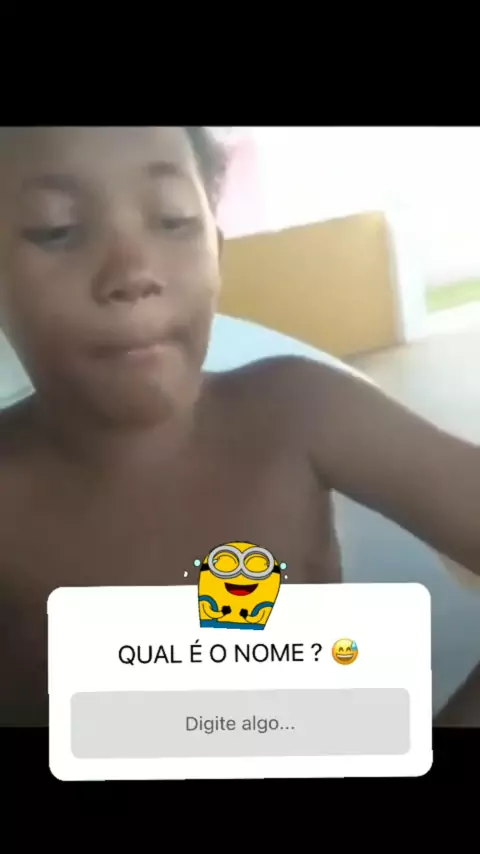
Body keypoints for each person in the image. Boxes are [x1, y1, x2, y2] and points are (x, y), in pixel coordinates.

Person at [0, 126, 478, 727]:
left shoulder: (303, 412)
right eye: (57, 229)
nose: (133, 271)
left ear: (217, 253)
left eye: (173, 220)